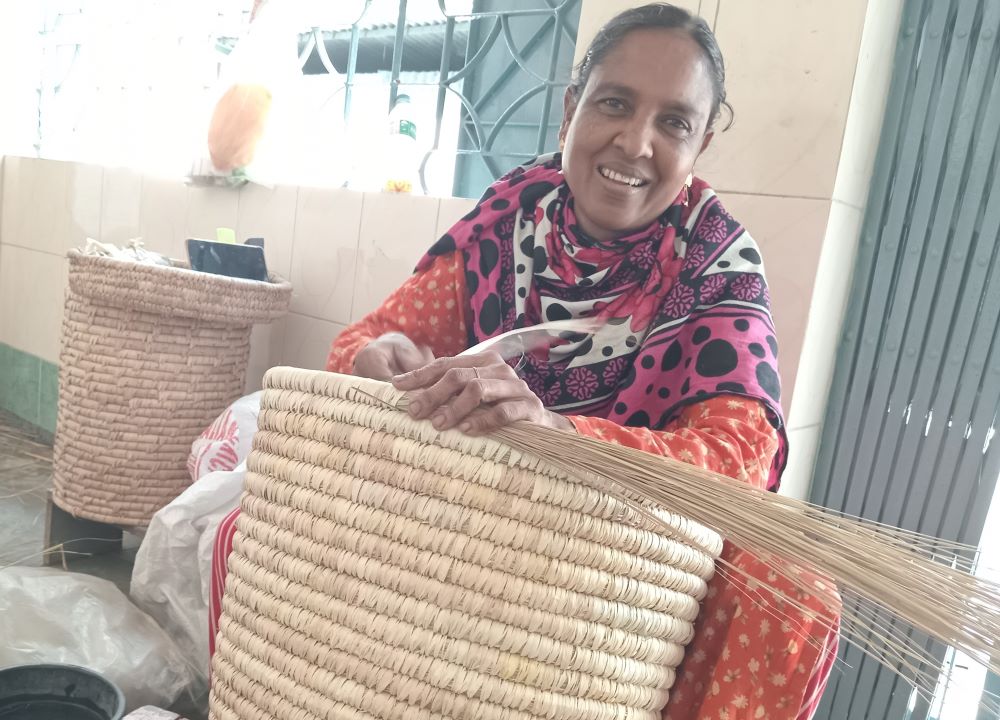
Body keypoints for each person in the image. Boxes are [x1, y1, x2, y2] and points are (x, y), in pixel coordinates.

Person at [209, 4, 840, 718]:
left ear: (702, 141)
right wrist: (379, 361)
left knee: (792, 591)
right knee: (248, 528)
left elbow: (739, 461)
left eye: (673, 123)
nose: (635, 143)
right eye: (614, 104)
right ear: (571, 108)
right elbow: (366, 341)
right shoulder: (512, 218)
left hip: (625, 561)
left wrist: (561, 435)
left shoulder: (716, 264)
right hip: (484, 516)